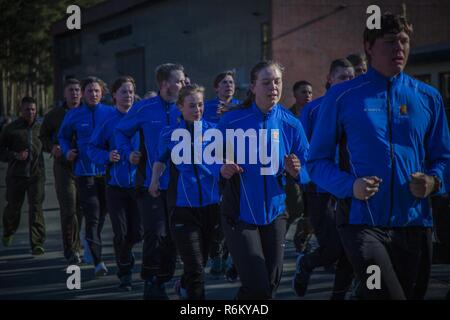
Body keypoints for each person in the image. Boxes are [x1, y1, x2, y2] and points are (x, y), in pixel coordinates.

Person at [307, 13, 450, 300]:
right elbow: (316, 162)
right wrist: (350, 187)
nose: (399, 49)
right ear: (369, 47)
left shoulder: (428, 97)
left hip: (414, 223)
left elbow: (444, 157)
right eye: (390, 42)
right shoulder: (343, 97)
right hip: (362, 222)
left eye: (404, 41)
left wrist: (434, 182)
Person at [216, 61, 310, 299]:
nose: (273, 87)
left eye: (277, 81)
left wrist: (298, 170)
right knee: (258, 288)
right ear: (253, 87)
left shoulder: (291, 124)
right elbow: (212, 155)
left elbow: (310, 167)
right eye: (266, 82)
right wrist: (222, 167)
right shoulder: (232, 120)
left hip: (276, 212)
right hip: (239, 213)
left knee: (270, 283)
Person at [115, 63, 186, 299]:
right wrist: (127, 153)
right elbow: (120, 132)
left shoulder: (185, 107)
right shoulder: (144, 108)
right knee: (155, 232)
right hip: (149, 184)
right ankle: (151, 280)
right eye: (180, 80)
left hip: (180, 184)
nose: (183, 84)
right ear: (165, 83)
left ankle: (164, 277)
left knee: (174, 236)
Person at [149, 84, 221, 299]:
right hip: (182, 208)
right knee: (196, 268)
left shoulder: (214, 131)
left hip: (211, 206)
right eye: (192, 105)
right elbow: (159, 161)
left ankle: (182, 284)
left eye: (200, 105)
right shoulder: (170, 133)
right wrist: (154, 181)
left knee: (201, 263)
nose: (197, 109)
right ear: (180, 107)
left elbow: (225, 158)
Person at [294, 58, 355, 299]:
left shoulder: (359, 108)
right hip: (320, 190)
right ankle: (306, 263)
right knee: (332, 249)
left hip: (351, 188)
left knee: (351, 250)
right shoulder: (313, 109)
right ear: (330, 79)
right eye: (342, 77)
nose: (348, 82)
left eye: (351, 78)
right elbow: (302, 150)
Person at [88, 76, 141, 290]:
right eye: (123, 92)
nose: (127, 95)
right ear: (114, 95)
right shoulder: (108, 122)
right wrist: (107, 156)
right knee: (120, 232)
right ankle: (125, 272)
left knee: (137, 233)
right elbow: (92, 148)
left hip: (139, 186)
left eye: (130, 91)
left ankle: (127, 253)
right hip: (115, 185)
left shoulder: (142, 119)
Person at [58, 76, 114, 277]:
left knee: (103, 215)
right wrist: (67, 151)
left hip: (107, 172)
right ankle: (98, 261)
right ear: (83, 93)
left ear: (103, 93)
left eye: (97, 91)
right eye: (89, 91)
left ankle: (89, 239)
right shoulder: (74, 115)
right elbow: (63, 137)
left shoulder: (110, 112)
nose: (94, 94)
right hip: (84, 171)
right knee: (92, 215)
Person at [39, 78, 83, 265]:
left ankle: (77, 244)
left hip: (85, 167)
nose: (74, 93)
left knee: (80, 209)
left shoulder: (88, 112)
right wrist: (52, 148)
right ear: (64, 94)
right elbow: (43, 136)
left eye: (77, 90)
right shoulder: (55, 115)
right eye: (71, 90)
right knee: (68, 209)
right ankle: (71, 250)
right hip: (64, 167)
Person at [0, 97, 46, 255]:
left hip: (37, 175)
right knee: (13, 207)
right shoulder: (11, 128)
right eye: (27, 109)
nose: (31, 112)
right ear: (21, 110)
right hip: (16, 176)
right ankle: (8, 230)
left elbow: (48, 144)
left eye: (33, 109)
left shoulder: (41, 128)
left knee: (36, 208)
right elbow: (1, 151)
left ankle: (37, 243)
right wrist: (14, 155)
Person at [284, 80, 313, 256]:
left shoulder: (316, 114)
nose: (308, 95)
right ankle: (278, 236)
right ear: (295, 95)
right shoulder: (288, 117)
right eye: (303, 92)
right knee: (295, 207)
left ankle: (301, 240)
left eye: (309, 92)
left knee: (310, 209)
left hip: (311, 168)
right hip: (292, 169)